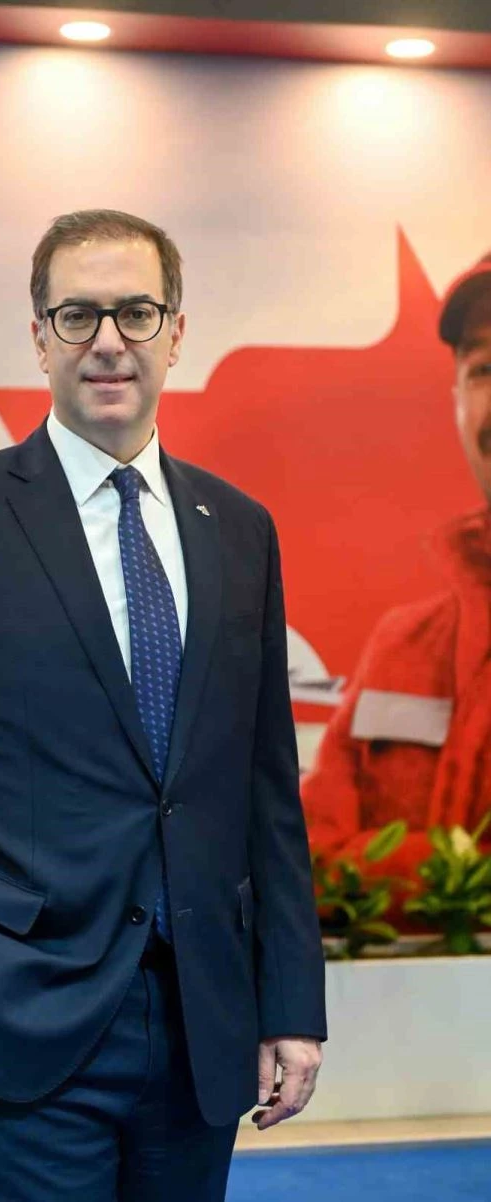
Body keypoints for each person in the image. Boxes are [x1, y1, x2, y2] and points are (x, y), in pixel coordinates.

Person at [0, 209, 325, 1202]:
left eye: (136, 313)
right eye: (77, 315)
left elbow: (265, 788)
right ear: (39, 337)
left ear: (175, 334)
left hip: (199, 1028)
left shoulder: (240, 529)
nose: (107, 341)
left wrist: (290, 1004)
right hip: (3, 1024)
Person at [302, 252, 491, 879]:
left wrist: (386, 867)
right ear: (458, 403)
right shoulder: (401, 646)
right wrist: (448, 873)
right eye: (484, 369)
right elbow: (309, 858)